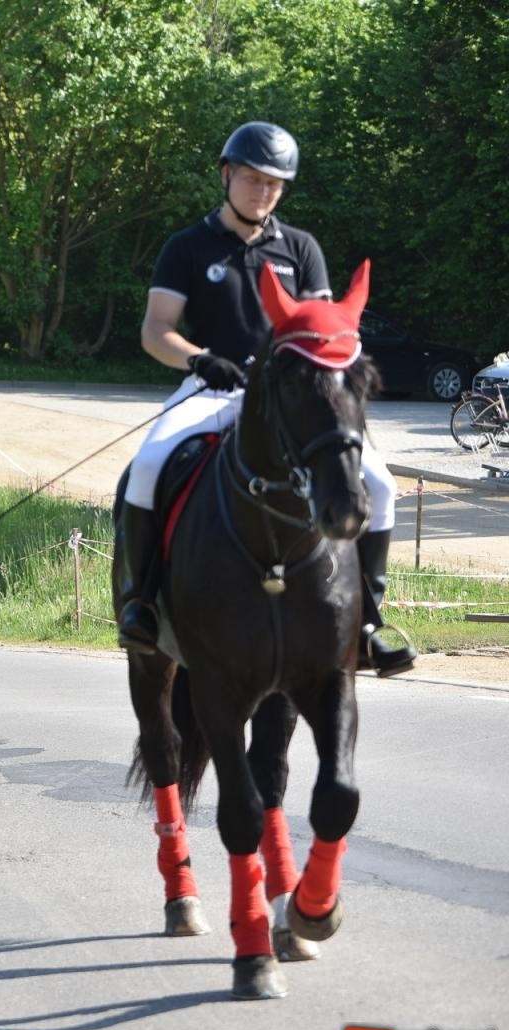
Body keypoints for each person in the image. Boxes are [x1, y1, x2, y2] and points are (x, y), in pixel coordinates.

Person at [117, 120, 414, 676]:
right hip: (213, 386)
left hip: (293, 399)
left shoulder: (301, 249)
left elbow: (326, 332)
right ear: (227, 175)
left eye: (274, 184)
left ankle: (368, 621)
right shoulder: (188, 246)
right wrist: (197, 357)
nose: (263, 191)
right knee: (150, 463)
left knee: (379, 482)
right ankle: (143, 602)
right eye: (253, 179)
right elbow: (156, 330)